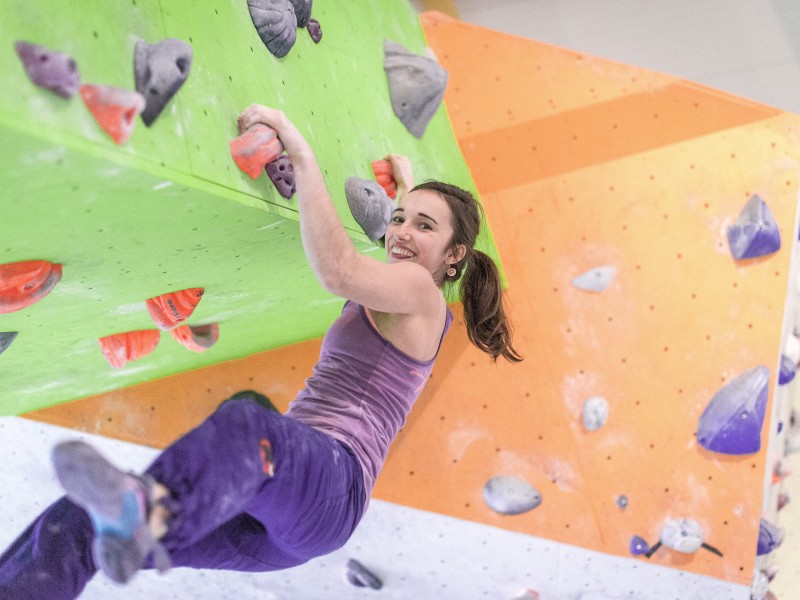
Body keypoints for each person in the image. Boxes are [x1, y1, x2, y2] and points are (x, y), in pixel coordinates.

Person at [0, 105, 521, 599]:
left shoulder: (422, 294)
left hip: (328, 487)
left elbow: (338, 268)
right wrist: (408, 184)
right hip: (278, 515)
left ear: (455, 257)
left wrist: (302, 153)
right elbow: (408, 242)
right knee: (79, 519)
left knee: (246, 422)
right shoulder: (408, 286)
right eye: (400, 217)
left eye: (423, 226)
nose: (402, 230)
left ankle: (152, 509)